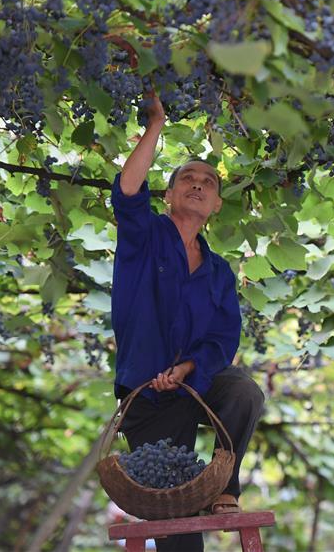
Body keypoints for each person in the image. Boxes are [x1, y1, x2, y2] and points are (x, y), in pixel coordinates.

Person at [109, 91, 265, 551]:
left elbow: (223, 337)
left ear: (216, 204)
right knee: (179, 528)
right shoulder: (145, 237)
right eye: (188, 179)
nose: (199, 184)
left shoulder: (218, 271)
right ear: (171, 194)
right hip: (148, 397)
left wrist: (191, 368)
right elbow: (129, 193)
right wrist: (155, 125)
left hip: (196, 387)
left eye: (209, 182)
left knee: (242, 390)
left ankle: (226, 489)